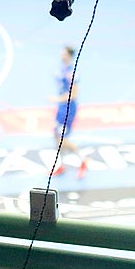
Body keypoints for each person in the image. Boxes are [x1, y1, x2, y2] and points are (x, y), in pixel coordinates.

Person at [50, 46, 86, 178]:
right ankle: (61, 164)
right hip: (61, 107)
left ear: (69, 55)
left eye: (63, 52)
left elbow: (74, 94)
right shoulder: (62, 69)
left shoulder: (72, 72)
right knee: (56, 135)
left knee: (61, 137)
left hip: (68, 109)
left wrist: (57, 99)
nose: (61, 54)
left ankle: (83, 159)